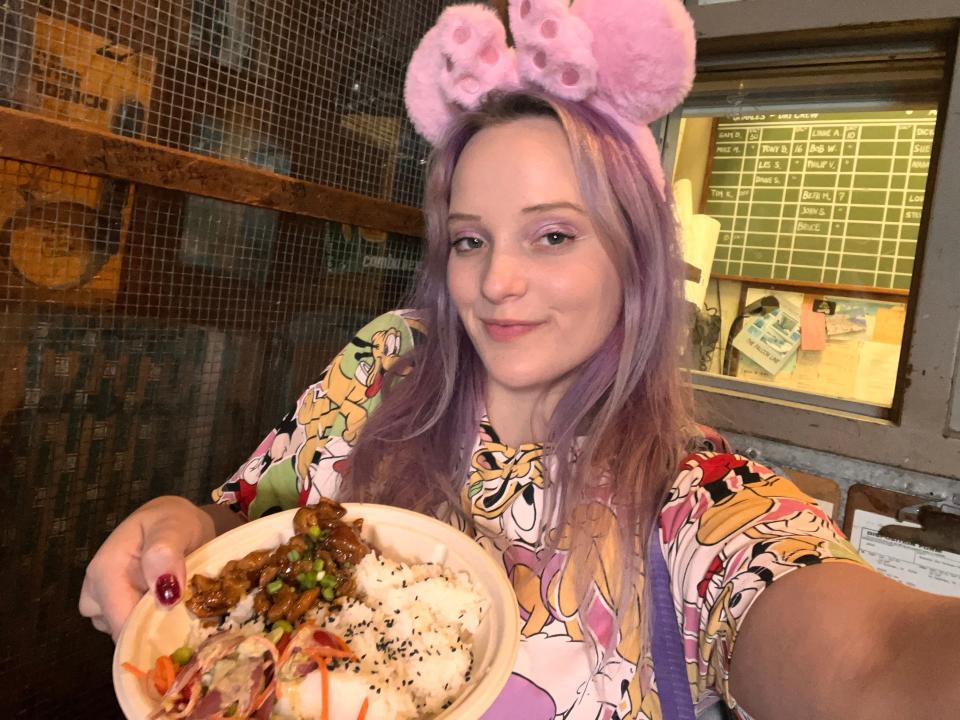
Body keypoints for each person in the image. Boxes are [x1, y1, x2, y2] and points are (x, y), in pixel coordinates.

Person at [80, 1, 960, 718]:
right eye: (470, 239)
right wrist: (184, 528)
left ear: (635, 259)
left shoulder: (700, 505)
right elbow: (246, 525)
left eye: (551, 234)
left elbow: (876, 658)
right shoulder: (385, 365)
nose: (497, 279)